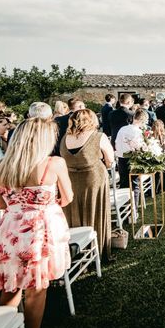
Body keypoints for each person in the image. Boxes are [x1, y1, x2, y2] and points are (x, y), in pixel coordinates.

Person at [0, 118, 73, 328]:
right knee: (35, 290)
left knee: (10, 287)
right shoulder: (53, 164)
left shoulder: (1, 166)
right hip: (38, 232)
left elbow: (1, 203)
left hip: (9, 231)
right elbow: (67, 198)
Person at [60, 109, 113, 259]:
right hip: (93, 179)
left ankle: (77, 250)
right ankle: (99, 250)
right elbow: (110, 160)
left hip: (71, 181)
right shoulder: (98, 136)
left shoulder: (64, 139)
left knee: (74, 212)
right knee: (96, 210)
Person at [115, 109, 149, 206]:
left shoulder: (122, 129)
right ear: (142, 120)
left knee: (124, 185)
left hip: (121, 160)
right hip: (133, 160)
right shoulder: (138, 132)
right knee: (134, 185)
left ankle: (123, 208)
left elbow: (116, 144)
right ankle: (133, 212)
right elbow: (141, 148)